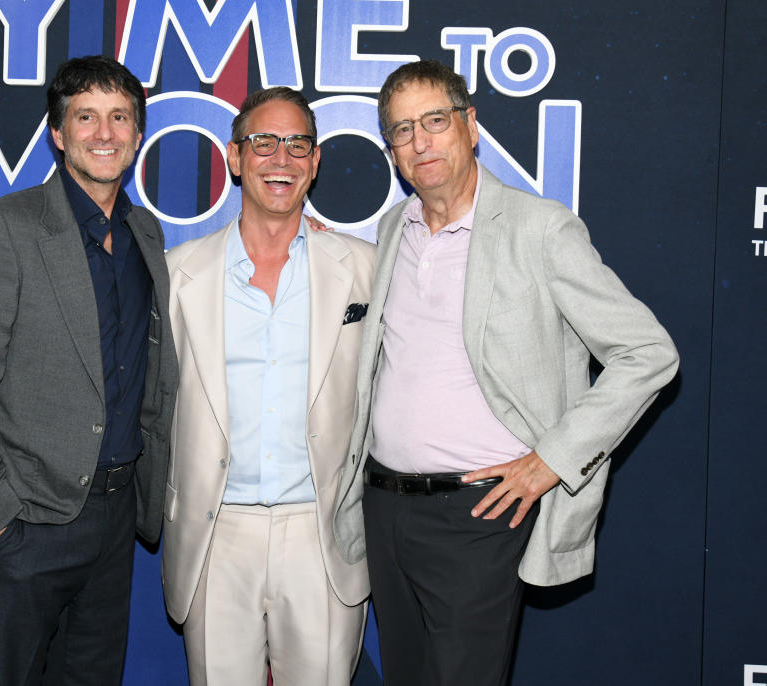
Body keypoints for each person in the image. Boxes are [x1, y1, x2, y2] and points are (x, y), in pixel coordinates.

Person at [333, 60, 679, 686]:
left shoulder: (539, 228)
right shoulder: (393, 229)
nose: (420, 142)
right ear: (391, 152)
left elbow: (648, 353)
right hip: (384, 509)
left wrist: (551, 461)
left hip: (480, 514)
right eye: (402, 131)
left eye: (434, 121)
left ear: (470, 126)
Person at [0, 55, 177, 686]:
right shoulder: (3, 228)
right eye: (85, 116)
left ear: (138, 133)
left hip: (115, 522)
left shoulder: (145, 233)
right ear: (58, 133)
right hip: (25, 524)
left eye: (120, 117)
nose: (104, 133)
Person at [161, 87, 375, 686]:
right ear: (234, 157)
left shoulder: (366, 267)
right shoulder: (180, 274)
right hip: (214, 532)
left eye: (297, 144)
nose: (281, 158)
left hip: (322, 532)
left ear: (315, 160)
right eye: (263, 142)